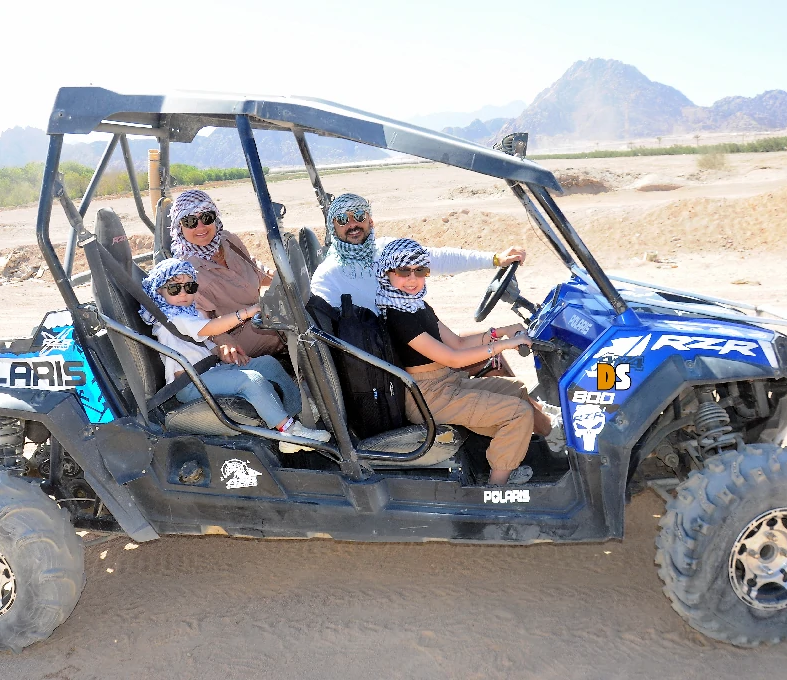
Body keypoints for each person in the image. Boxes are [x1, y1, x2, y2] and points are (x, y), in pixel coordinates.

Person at [374, 238, 541, 485]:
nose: (412, 279)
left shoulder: (416, 305)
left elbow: (457, 343)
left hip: (445, 382)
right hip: (429, 397)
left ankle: (517, 452)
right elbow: (453, 357)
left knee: (515, 389)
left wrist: (501, 331)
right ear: (387, 272)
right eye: (403, 271)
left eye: (420, 271)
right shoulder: (399, 317)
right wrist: (502, 345)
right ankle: (497, 490)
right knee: (518, 414)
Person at [140, 258, 330, 452]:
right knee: (251, 380)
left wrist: (223, 354)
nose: (183, 294)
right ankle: (287, 434)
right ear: (158, 292)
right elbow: (211, 328)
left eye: (189, 287)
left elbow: (205, 343)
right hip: (190, 384)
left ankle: (298, 415)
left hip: (208, 371)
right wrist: (247, 313)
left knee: (267, 364)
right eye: (174, 289)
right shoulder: (171, 317)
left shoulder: (187, 314)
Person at [309, 192, 528, 312]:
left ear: (371, 220)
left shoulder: (389, 250)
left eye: (359, 215)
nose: (353, 224)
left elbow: (440, 259)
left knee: (496, 357)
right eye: (342, 220)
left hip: (413, 340)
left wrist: (495, 259)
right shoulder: (328, 275)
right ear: (333, 228)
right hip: (388, 363)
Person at [168, 189, 284, 363]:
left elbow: (255, 269)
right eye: (190, 221)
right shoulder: (184, 271)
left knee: (309, 309)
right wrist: (221, 339)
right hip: (233, 333)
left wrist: (281, 277)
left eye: (206, 218)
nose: (200, 227)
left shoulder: (229, 241)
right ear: (180, 226)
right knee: (293, 328)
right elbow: (196, 322)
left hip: (260, 315)